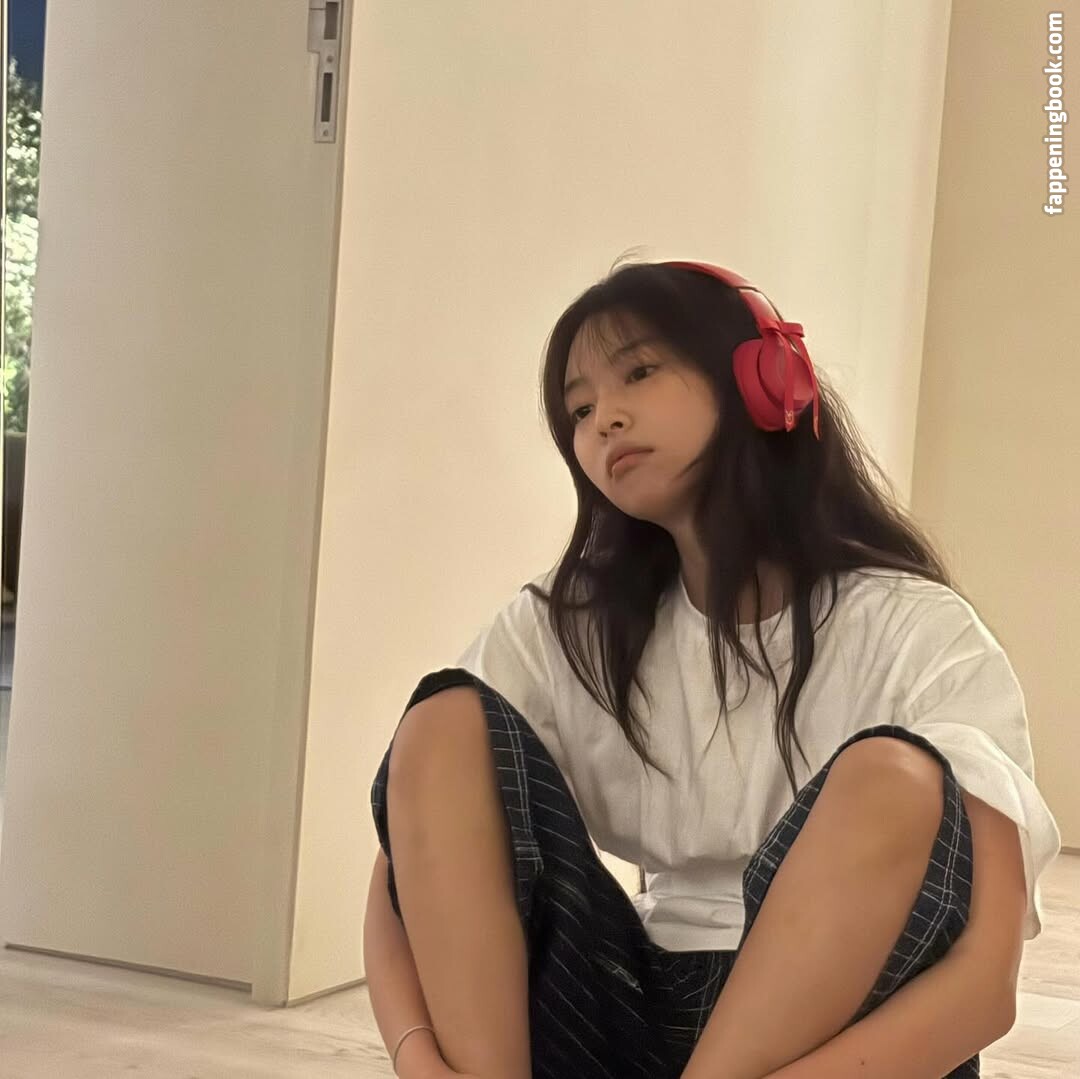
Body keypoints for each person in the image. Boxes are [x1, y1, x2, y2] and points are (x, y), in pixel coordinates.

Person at [364, 257, 1062, 1079]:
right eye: (579, 409)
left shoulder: (917, 629)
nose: (604, 419)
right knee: (442, 722)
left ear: (766, 380)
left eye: (639, 372)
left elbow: (984, 989)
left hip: (836, 1044)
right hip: (623, 1007)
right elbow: (410, 859)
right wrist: (419, 1058)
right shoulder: (569, 623)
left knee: (894, 776)